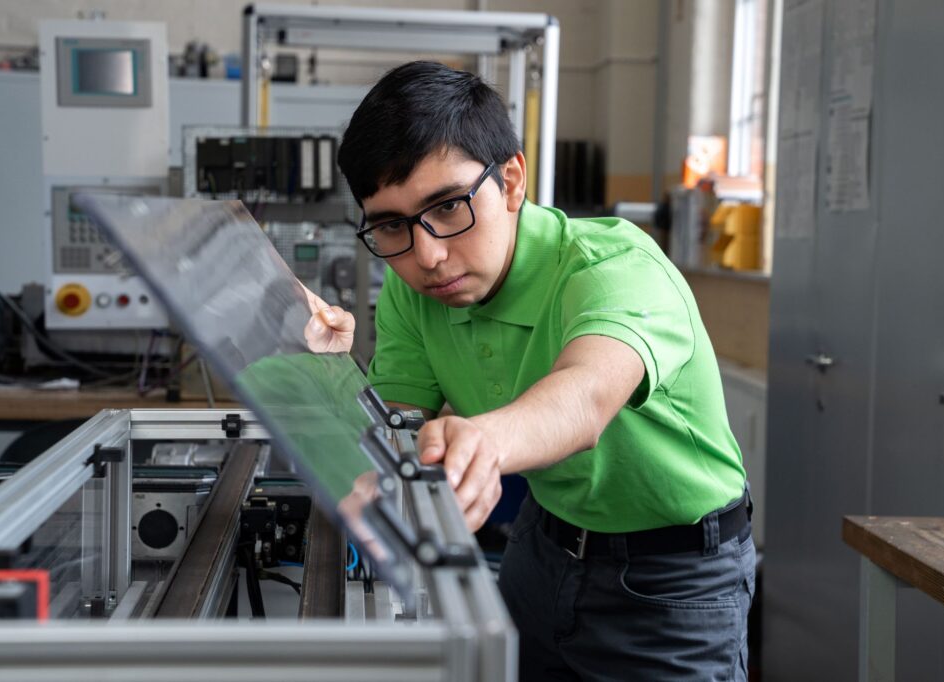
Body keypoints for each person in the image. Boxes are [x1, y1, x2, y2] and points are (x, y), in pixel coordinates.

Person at [306, 60, 755, 682]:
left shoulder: (614, 265)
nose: (429, 255)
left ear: (512, 180)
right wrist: (334, 380)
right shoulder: (413, 287)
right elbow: (401, 413)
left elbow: (586, 396)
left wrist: (483, 443)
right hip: (540, 547)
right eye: (390, 225)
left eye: (448, 206)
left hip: (670, 581)